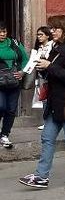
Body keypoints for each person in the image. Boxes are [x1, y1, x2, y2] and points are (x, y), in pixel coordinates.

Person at [18, 16, 65, 189]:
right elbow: (52, 71)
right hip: (55, 102)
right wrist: (42, 67)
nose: (52, 32)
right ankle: (41, 176)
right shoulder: (57, 46)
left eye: (55, 28)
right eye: (51, 28)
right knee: (47, 138)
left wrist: (49, 65)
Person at [0, 21, 26, 149]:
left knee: (11, 110)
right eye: (0, 32)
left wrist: (22, 72)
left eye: (4, 31)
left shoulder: (14, 43)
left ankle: (4, 134)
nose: (2, 34)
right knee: (1, 106)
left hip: (14, 83)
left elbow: (25, 59)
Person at [25, 25, 53, 128]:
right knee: (44, 98)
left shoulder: (52, 45)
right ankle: (46, 121)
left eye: (41, 34)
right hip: (41, 75)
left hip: (51, 75)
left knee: (51, 98)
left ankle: (51, 122)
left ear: (47, 35)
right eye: (37, 35)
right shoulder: (38, 48)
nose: (39, 37)